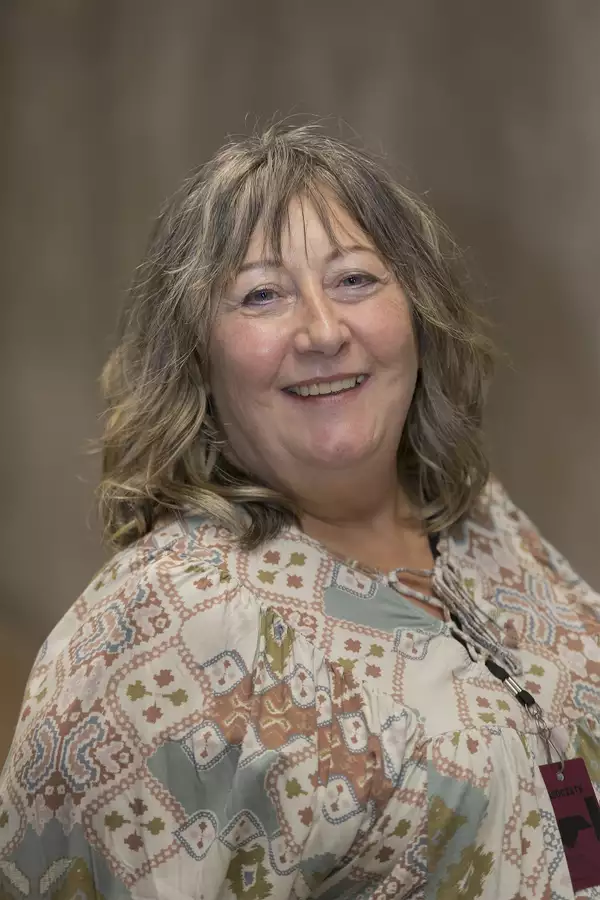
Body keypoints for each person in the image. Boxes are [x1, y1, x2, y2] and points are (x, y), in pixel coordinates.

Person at [0, 124, 598, 900]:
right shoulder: (158, 626)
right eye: (262, 295)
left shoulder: (477, 518)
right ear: (196, 355)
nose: (322, 331)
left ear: (418, 313)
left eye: (354, 280)